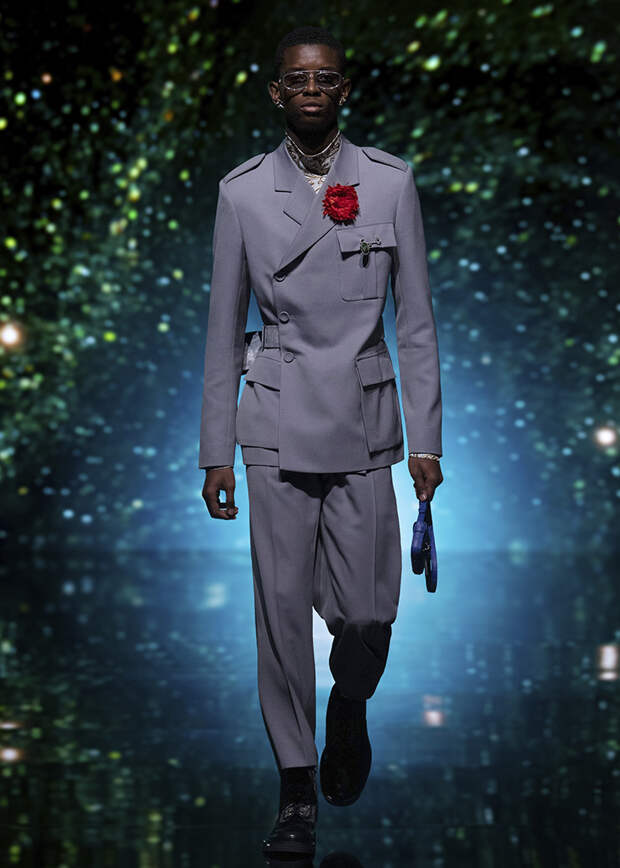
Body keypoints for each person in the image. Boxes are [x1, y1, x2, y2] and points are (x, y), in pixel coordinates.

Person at [199, 25, 444, 858]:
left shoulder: (389, 182)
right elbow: (222, 329)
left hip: (366, 418)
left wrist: (427, 440)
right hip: (273, 417)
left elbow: (416, 321)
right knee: (278, 614)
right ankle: (296, 787)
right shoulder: (242, 193)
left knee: (369, 609)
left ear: (344, 89)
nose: (310, 88)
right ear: (277, 93)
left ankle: (349, 701)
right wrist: (215, 451)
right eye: (296, 79)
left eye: (325, 78)